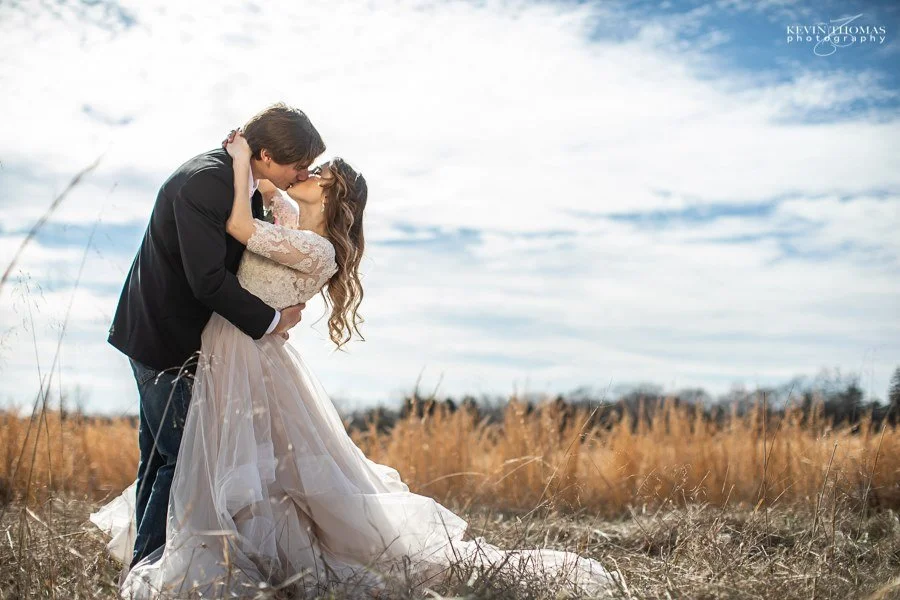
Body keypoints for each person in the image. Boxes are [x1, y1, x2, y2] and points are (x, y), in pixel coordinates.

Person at [91, 132, 619, 599]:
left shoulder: (314, 249)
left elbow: (238, 223)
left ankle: (179, 556)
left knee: (217, 458)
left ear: (332, 192)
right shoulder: (291, 218)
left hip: (248, 351)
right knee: (204, 456)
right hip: (228, 347)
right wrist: (250, 159)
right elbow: (268, 189)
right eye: (305, 167)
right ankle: (171, 550)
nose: (305, 174)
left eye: (317, 174)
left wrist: (236, 160)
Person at [104, 103, 325, 568]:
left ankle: (142, 565)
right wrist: (272, 321)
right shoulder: (206, 181)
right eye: (296, 165)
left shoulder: (239, 178)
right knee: (182, 458)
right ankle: (152, 570)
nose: (301, 173)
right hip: (163, 337)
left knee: (160, 456)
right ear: (265, 154)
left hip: (169, 334)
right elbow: (206, 279)